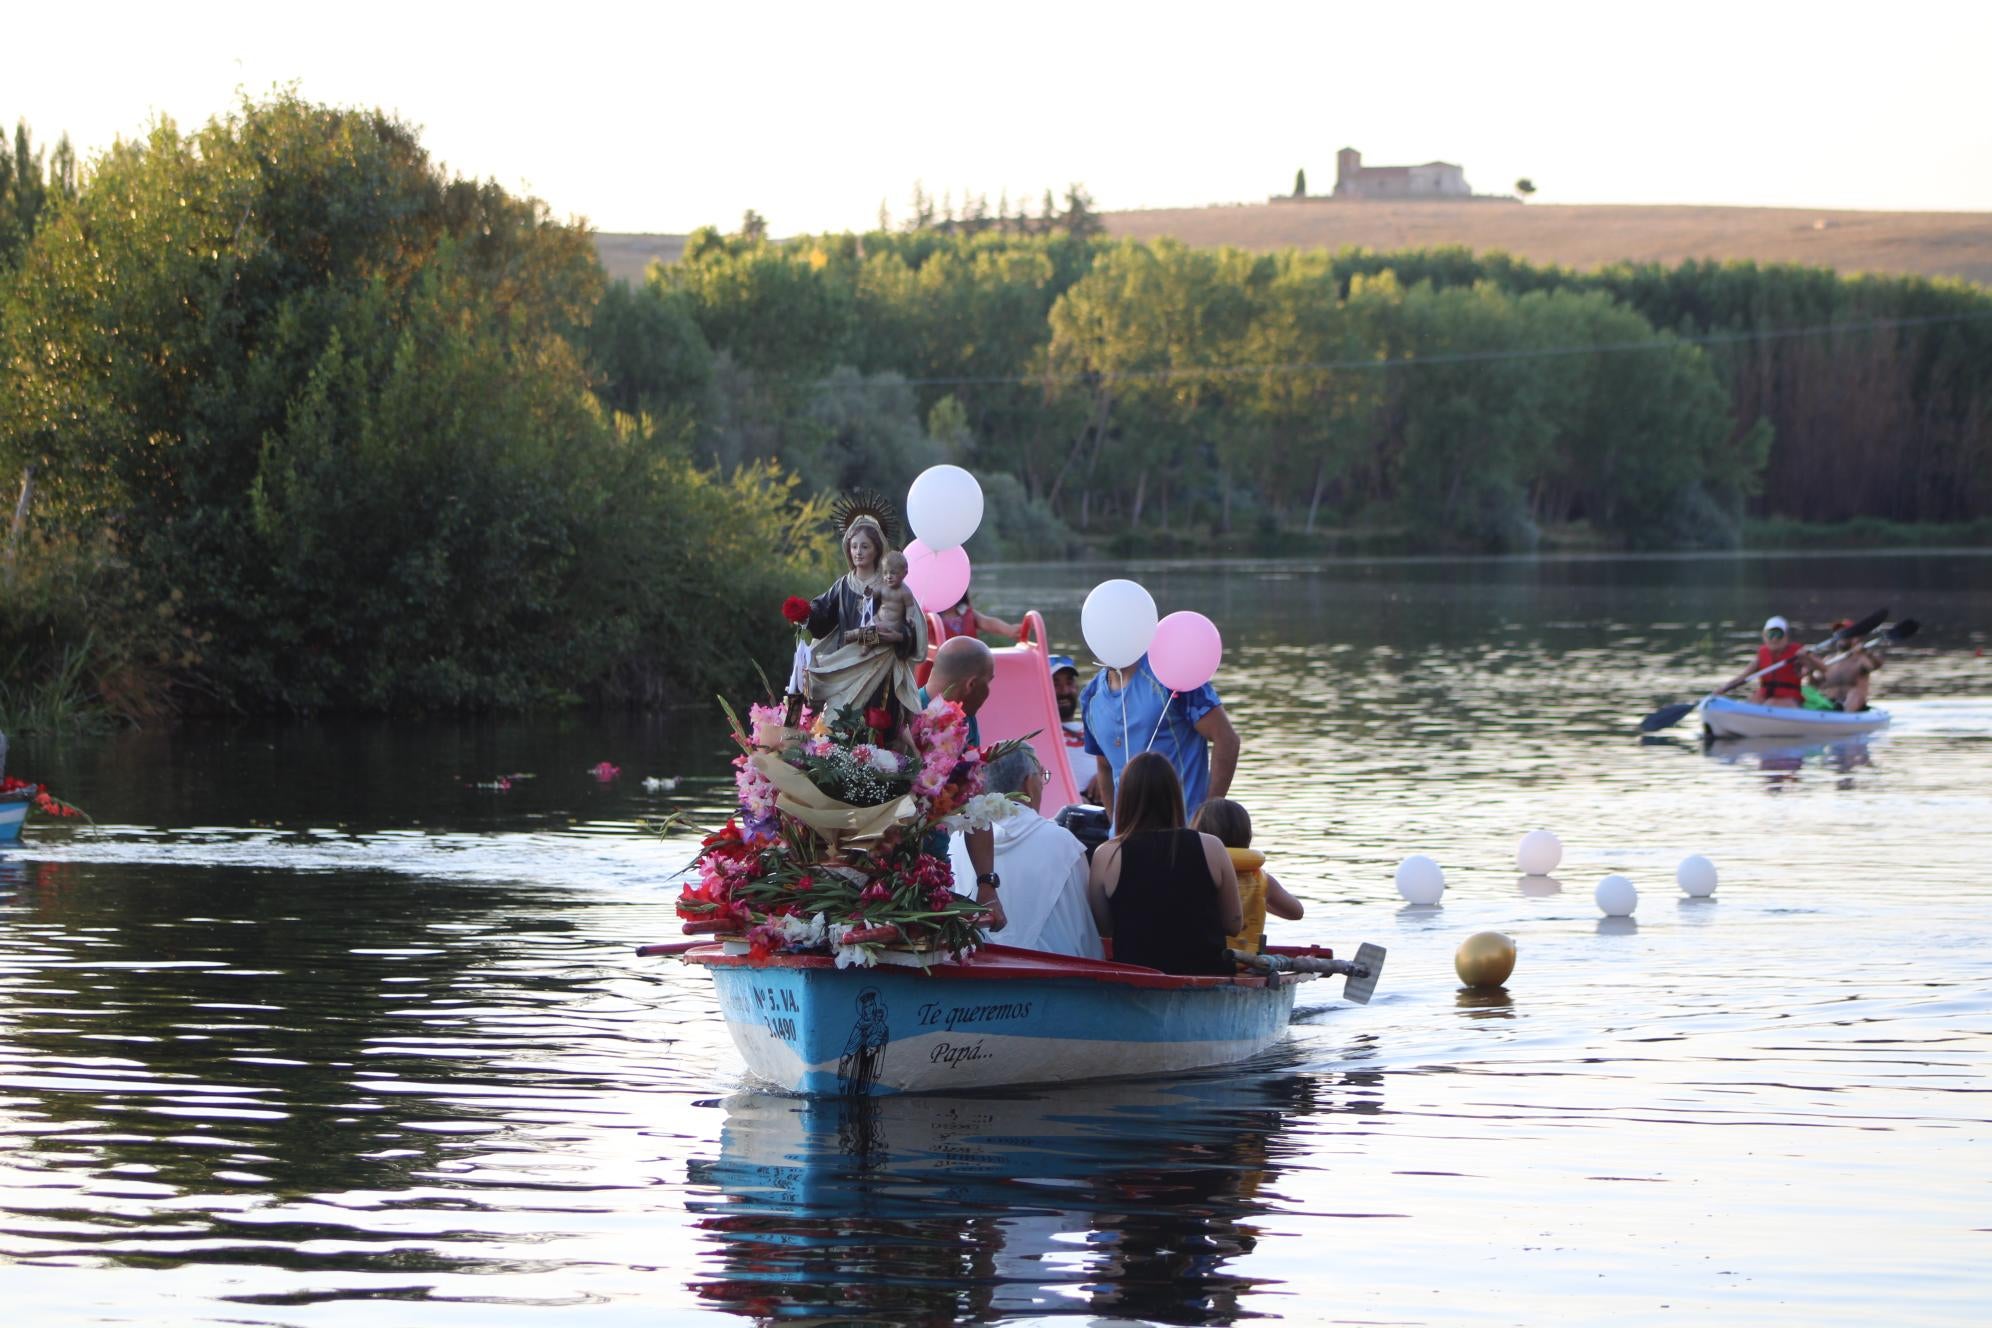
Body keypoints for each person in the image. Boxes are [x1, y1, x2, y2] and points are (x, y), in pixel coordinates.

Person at [1086, 752, 1243, 976]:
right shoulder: (1212, 846)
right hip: (1206, 974)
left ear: (1125, 798)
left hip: (1137, 979)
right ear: (1175, 795)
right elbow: (1234, 924)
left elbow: (1105, 929)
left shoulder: (1107, 854)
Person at [948, 747, 1103, 959]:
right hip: (1056, 976)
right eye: (1042, 777)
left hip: (975, 967)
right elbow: (1086, 929)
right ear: (1029, 783)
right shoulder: (1063, 843)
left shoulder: (957, 839)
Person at [803, 497, 927, 725]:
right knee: (841, 724)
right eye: (854, 546)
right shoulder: (843, 586)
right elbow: (821, 618)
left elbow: (911, 627)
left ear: (877, 550)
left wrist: (898, 637)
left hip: (880, 667)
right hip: (847, 664)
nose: (858, 552)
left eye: (865, 546)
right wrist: (804, 614)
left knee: (877, 722)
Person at [1080, 653, 1239, 822]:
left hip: (1185, 832)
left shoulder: (1172, 674)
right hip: (1130, 839)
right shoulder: (1090, 696)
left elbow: (1227, 740)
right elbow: (1105, 766)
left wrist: (1206, 819)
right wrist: (1116, 828)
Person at [919, 635, 1005, 932]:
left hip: (936, 870)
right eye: (989, 681)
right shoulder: (901, 714)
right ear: (971, 685)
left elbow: (975, 806)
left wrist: (987, 884)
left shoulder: (968, 723)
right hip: (891, 875)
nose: (990, 691)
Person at [1191, 799, 1304, 956]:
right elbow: (1296, 912)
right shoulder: (1263, 881)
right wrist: (1260, 898)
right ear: (1248, 836)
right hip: (1247, 964)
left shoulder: (1197, 874)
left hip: (1204, 959)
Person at [1719, 615, 1821, 708]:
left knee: (1771, 703)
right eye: (1771, 634)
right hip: (1766, 696)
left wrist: (1808, 658)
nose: (1775, 639)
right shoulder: (1761, 657)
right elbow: (1741, 678)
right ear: (1764, 636)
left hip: (1791, 700)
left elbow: (1824, 669)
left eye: (1779, 634)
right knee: (1754, 701)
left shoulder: (1798, 654)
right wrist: (1721, 690)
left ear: (1786, 637)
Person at [1047, 655, 1101, 801]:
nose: (1064, 691)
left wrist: (1104, 775)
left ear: (1076, 688)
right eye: (1056, 684)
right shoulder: (1036, 734)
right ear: (1043, 689)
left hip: (1103, 805)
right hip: (1064, 807)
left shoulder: (1096, 728)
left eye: (1069, 683)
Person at [1814, 619, 1883, 712]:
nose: (1841, 635)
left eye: (1845, 633)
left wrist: (1866, 652)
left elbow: (1875, 665)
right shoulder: (1828, 660)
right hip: (1831, 706)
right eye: (1839, 632)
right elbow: (1814, 682)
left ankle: (1844, 714)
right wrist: (1809, 667)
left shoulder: (1861, 658)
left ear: (1855, 638)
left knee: (1855, 693)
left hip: (1855, 708)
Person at [867, 550, 921, 645]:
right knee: (868, 624)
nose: (888, 577)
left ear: (904, 573)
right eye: (885, 573)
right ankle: (865, 643)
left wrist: (909, 617)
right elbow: (874, 594)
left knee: (879, 630)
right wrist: (870, 593)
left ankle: (867, 643)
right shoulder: (883, 586)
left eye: (893, 573)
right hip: (878, 618)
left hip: (892, 623)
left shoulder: (905, 592)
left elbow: (910, 606)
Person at [939, 591, 1023, 644]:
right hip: (942, 667)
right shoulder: (929, 619)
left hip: (971, 662)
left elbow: (987, 622)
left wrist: (1008, 629)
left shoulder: (965, 611)